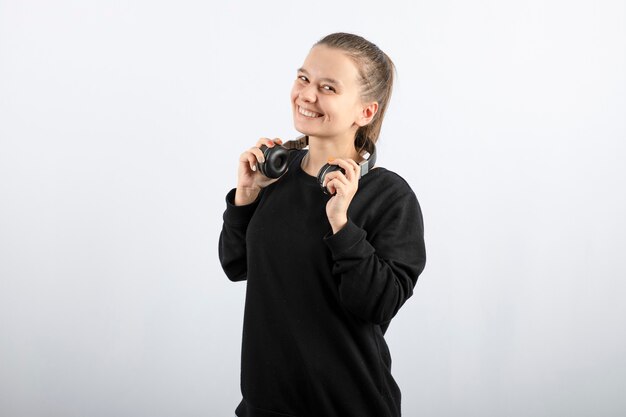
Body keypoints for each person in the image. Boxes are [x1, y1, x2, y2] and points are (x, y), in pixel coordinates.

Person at [218, 32, 426, 417]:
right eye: (303, 78)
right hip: (264, 408)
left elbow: (377, 305)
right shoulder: (276, 176)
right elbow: (236, 265)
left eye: (327, 87)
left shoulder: (390, 196)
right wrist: (245, 200)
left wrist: (342, 226)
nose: (307, 95)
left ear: (365, 112)